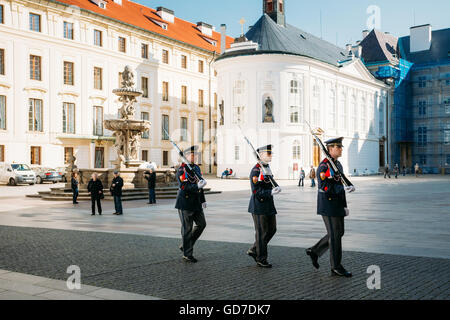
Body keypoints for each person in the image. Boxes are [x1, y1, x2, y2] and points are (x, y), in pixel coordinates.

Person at [306, 137, 354, 277]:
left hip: (338, 204)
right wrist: (342, 190)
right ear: (330, 149)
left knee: (339, 233)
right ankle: (336, 267)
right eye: (338, 147)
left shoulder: (337, 165)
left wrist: (345, 201)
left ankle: (315, 251)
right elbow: (325, 187)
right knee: (335, 235)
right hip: (328, 204)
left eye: (340, 147)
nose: (340, 149)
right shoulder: (324, 166)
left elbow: (341, 180)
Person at [247, 144, 281, 268]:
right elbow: (256, 192)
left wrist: (276, 186)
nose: (271, 155)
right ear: (260, 155)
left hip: (268, 205)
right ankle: (261, 258)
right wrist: (270, 192)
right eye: (268, 153)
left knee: (272, 229)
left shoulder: (266, 168)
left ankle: (254, 248)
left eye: (270, 153)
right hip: (259, 205)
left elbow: (270, 180)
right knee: (261, 232)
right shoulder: (256, 170)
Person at [175, 146, 207, 263]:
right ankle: (187, 254)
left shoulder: (196, 168)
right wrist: (197, 186)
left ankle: (186, 244)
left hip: (196, 202)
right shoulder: (181, 170)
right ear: (186, 156)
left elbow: (200, 183)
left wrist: (203, 199)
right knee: (187, 228)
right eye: (192, 155)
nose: (195, 157)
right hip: (185, 202)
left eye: (196, 155)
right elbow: (184, 187)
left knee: (202, 224)